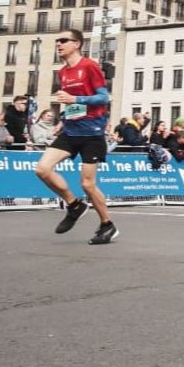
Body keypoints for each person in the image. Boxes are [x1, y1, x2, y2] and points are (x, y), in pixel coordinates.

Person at [33, 29, 117, 245]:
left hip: (92, 133)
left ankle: (107, 225)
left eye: (63, 40)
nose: (59, 44)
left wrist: (75, 98)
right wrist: (63, 119)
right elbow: (70, 104)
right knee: (42, 169)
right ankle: (74, 205)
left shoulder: (89, 66)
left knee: (87, 184)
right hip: (71, 131)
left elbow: (103, 97)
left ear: (77, 44)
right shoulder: (63, 72)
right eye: (57, 41)